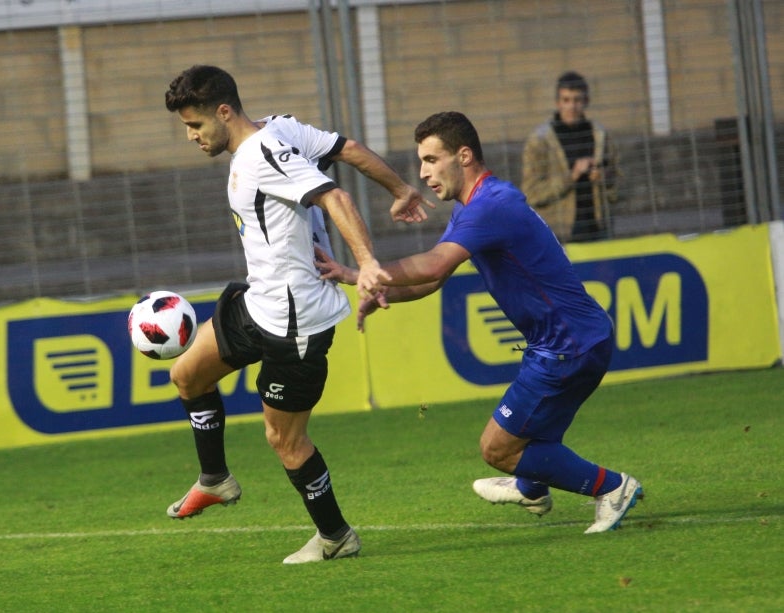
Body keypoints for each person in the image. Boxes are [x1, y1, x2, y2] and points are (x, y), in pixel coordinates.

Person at [316, 111, 643, 534]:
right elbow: (433, 279)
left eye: (432, 159)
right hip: (577, 339)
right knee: (530, 439)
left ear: (464, 155)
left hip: (566, 347)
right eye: (422, 162)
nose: (423, 173)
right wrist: (368, 285)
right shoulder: (478, 204)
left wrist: (366, 269)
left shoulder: (491, 207)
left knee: (497, 448)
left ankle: (612, 487)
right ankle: (531, 487)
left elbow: (433, 263)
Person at [162, 65, 433, 564]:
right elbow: (347, 150)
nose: (191, 137)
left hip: (295, 323)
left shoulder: (265, 154)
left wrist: (368, 263)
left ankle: (336, 537)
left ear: (224, 112)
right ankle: (215, 479)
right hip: (257, 302)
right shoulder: (280, 126)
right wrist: (400, 190)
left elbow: (334, 194)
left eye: (196, 125)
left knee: (284, 440)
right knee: (187, 374)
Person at [521, 71, 619, 243]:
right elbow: (531, 193)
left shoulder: (600, 135)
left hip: (597, 230)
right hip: (558, 236)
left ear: (586, 101)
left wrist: (604, 177)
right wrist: (571, 177)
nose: (572, 107)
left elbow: (619, 182)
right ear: (557, 103)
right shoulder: (540, 141)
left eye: (577, 100)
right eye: (566, 100)